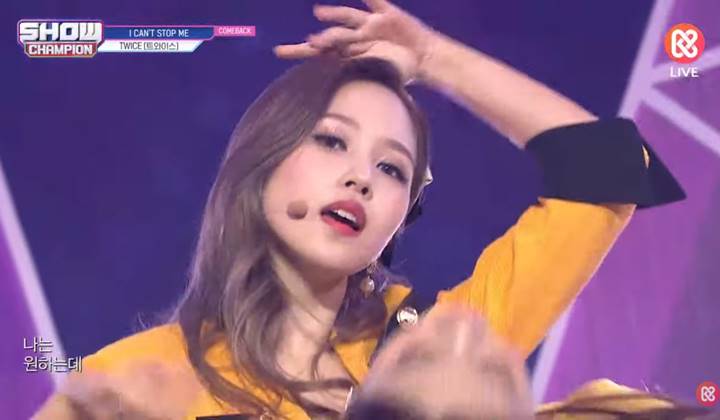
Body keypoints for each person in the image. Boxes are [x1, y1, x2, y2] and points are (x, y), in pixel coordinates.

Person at [33, 0, 684, 418]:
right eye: (332, 141)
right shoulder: (136, 381)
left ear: (403, 214)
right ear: (262, 160)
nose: (360, 179)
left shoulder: (438, 350)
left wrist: (434, 58)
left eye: (392, 169)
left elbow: (610, 168)